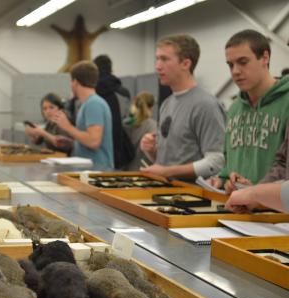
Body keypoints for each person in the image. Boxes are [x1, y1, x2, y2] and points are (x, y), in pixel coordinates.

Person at [209, 29, 289, 193]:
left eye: (243, 62)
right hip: (237, 209)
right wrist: (224, 181)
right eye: (230, 65)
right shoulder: (234, 108)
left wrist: (256, 193)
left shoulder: (286, 101)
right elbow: (228, 164)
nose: (235, 71)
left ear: (265, 58)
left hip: (274, 212)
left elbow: (283, 167)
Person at [140, 34, 226, 180]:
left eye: (165, 59)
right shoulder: (166, 104)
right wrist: (152, 151)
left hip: (190, 197)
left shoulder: (205, 105)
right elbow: (168, 162)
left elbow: (216, 162)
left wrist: (167, 172)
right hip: (166, 193)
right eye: (157, 59)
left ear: (186, 64)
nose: (158, 66)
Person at [52, 60, 114, 170]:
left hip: (96, 171)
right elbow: (89, 139)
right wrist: (72, 143)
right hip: (89, 170)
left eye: (71, 81)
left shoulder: (94, 104)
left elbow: (94, 141)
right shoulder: (88, 104)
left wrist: (68, 127)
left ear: (75, 81)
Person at [94, 54, 134, 169]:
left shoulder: (91, 92)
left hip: (97, 148)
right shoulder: (123, 92)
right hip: (119, 148)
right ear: (111, 69)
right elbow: (127, 119)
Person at [123, 91, 157, 171]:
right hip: (143, 171)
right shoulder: (153, 126)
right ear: (151, 107)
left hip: (123, 171)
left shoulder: (125, 123)